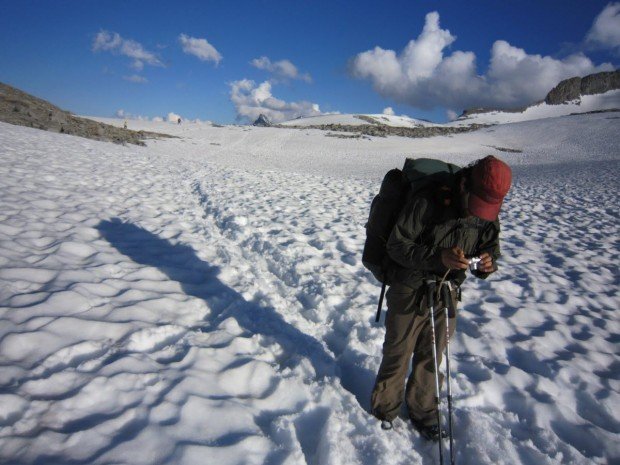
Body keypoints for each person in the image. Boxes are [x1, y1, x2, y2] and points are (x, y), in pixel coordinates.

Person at [370, 155, 512, 439]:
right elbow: (397, 246)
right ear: (464, 185)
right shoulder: (427, 201)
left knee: (431, 356)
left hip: (447, 291)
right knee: (398, 352)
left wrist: (487, 264)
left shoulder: (488, 213)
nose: (477, 213)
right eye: (476, 204)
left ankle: (423, 411)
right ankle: (385, 409)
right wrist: (438, 258)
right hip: (409, 286)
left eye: (486, 208)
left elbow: (490, 248)